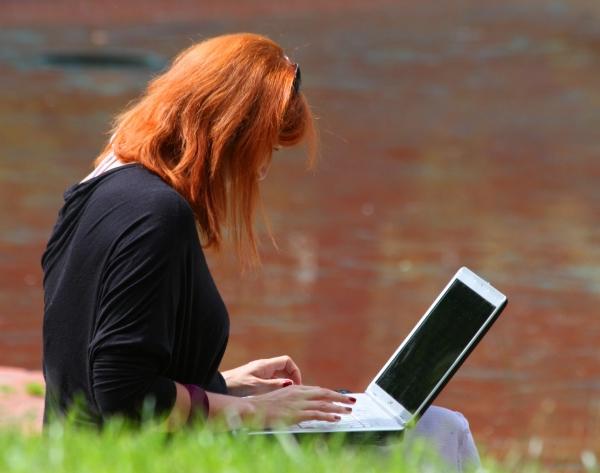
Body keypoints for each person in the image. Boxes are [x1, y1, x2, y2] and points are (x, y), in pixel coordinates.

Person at [41, 32, 479, 469]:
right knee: (437, 431)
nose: (261, 168)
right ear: (232, 130)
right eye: (264, 148)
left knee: (404, 423)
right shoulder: (157, 215)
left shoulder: (96, 191)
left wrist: (226, 386)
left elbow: (92, 375)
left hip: (79, 457)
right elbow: (121, 394)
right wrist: (252, 412)